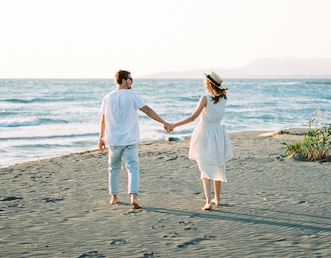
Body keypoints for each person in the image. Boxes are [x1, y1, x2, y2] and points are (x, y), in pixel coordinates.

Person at [98, 69, 170, 209]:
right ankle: (133, 197)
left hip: (114, 139)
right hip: (130, 139)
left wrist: (101, 137)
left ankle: (114, 197)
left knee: (113, 168)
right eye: (130, 79)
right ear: (124, 80)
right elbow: (147, 110)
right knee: (132, 168)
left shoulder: (108, 97)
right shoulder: (131, 96)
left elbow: (103, 120)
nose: (132, 81)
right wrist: (163, 122)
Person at [165, 71, 233, 210]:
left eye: (205, 81)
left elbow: (192, 118)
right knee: (218, 164)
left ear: (209, 83)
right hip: (219, 132)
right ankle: (217, 199)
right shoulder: (224, 98)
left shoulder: (205, 98)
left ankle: (208, 201)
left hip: (205, 133)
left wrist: (174, 125)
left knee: (205, 165)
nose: (203, 83)